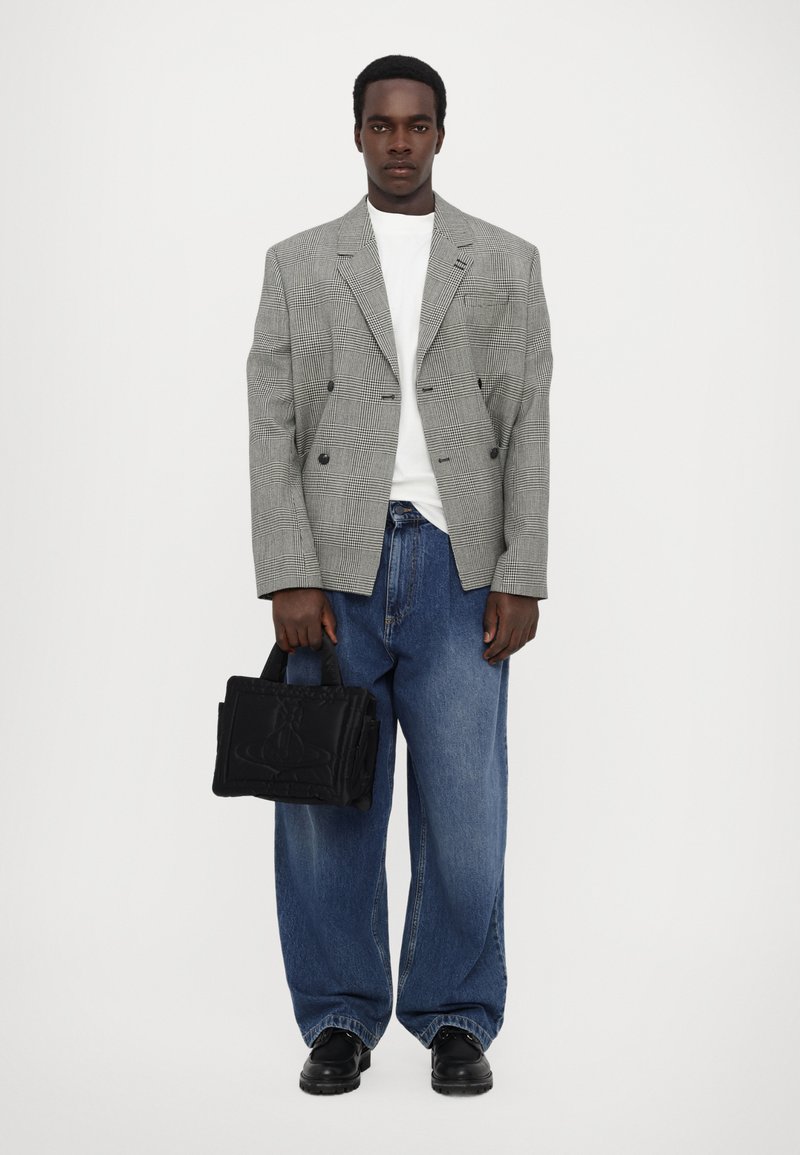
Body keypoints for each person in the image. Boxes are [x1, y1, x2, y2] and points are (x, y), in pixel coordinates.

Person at [246, 53, 553, 1096]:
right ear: (356, 133)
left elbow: (528, 420)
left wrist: (521, 570)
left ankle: (455, 1015)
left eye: (416, 125)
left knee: (465, 813)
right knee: (329, 806)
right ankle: (338, 1017)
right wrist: (289, 571)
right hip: (334, 572)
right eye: (381, 125)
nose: (399, 143)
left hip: (461, 569)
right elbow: (272, 421)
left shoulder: (504, 260)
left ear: (440, 132)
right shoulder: (299, 262)